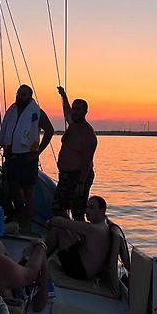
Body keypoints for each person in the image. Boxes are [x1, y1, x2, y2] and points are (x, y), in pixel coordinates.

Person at [0, 84, 54, 230]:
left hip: (28, 156)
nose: (20, 97)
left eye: (23, 94)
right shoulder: (12, 111)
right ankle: (19, 215)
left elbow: (49, 131)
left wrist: (38, 151)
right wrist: (6, 147)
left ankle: (27, 221)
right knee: (14, 188)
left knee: (28, 190)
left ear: (30, 96)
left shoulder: (36, 112)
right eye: (18, 94)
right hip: (12, 156)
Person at [52, 86, 97, 221]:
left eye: (78, 109)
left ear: (85, 112)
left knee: (77, 213)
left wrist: (81, 183)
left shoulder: (88, 134)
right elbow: (67, 111)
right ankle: (69, 231)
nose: (75, 112)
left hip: (79, 177)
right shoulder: (72, 124)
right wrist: (64, 96)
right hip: (65, 176)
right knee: (58, 209)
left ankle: (80, 237)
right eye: (74, 108)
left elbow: (87, 161)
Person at [45, 195, 110, 280]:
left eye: (91, 207)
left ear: (102, 211)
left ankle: (39, 260)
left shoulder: (92, 228)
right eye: (87, 207)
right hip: (88, 269)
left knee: (57, 230)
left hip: (79, 272)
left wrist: (49, 222)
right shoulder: (104, 225)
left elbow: (61, 222)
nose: (87, 211)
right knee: (69, 231)